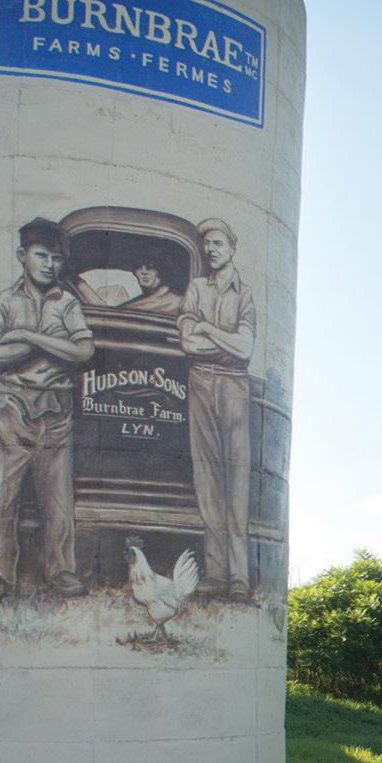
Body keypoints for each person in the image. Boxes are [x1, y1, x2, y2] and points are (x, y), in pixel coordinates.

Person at [0, 216, 95, 601]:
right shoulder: (4, 302)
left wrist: (28, 336)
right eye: (41, 255)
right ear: (22, 255)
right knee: (3, 493)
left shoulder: (68, 303)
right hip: (11, 405)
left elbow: (83, 351)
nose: (49, 265)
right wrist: (52, 346)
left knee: (58, 497)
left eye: (56, 258)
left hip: (56, 407)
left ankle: (61, 572)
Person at [177, 217, 256, 597]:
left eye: (218, 243)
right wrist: (225, 341)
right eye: (207, 243)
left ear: (232, 248)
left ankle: (239, 578)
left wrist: (207, 329)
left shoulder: (245, 294)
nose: (211, 249)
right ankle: (216, 573)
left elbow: (245, 349)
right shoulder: (195, 289)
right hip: (201, 382)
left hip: (234, 386)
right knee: (207, 476)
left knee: (237, 481)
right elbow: (187, 344)